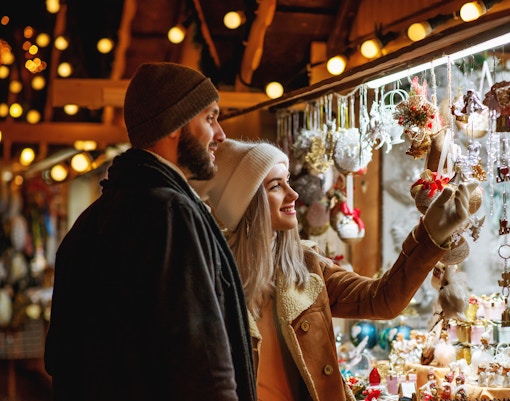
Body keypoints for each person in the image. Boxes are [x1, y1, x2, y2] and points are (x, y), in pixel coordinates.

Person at [191, 138, 477, 401]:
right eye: (276, 186)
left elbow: (382, 300)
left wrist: (429, 235)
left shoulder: (306, 266)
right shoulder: (212, 279)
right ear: (245, 202)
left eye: (288, 181)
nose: (293, 194)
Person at [44, 64, 257, 401]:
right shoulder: (172, 213)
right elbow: (204, 362)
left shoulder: (88, 223)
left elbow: (61, 359)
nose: (220, 134)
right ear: (175, 124)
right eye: (210, 118)